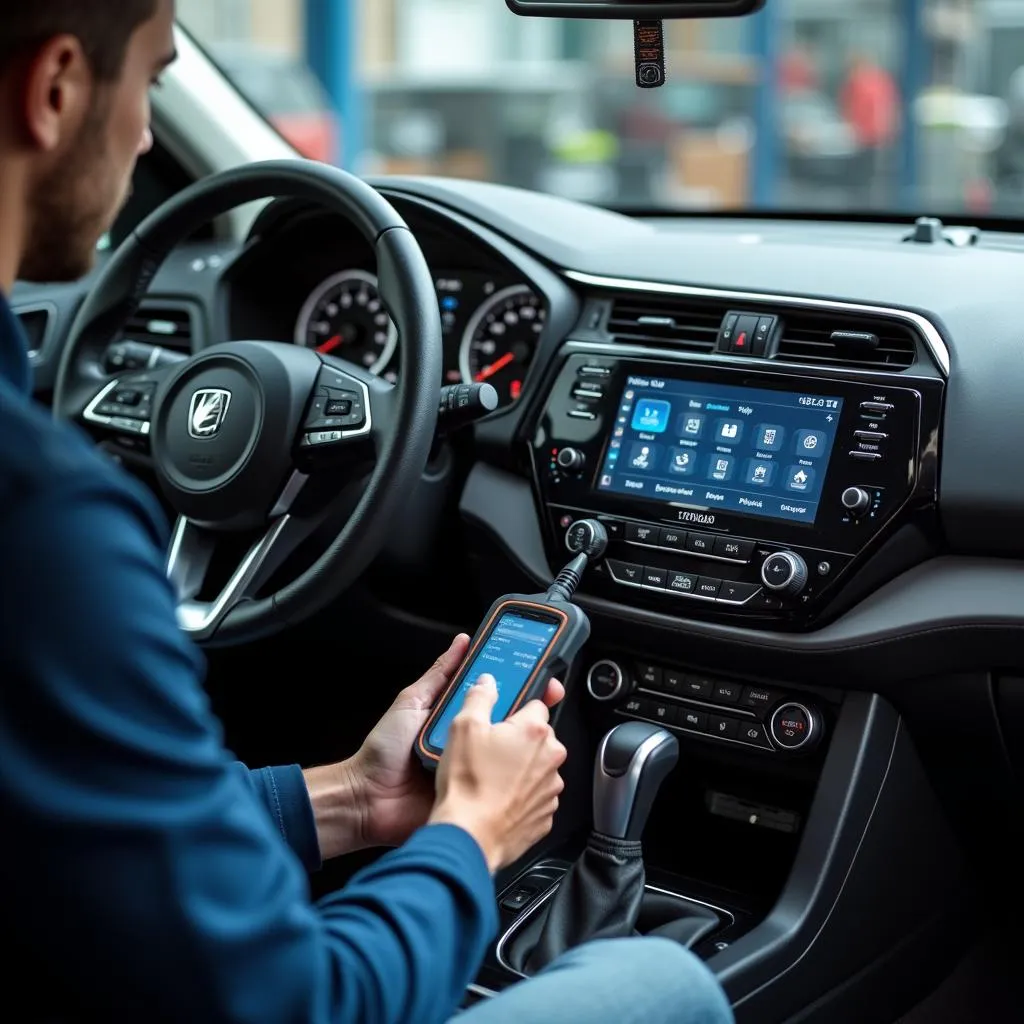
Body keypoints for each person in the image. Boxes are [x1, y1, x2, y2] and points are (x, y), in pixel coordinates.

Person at [0, 3, 736, 1023]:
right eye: (152, 86)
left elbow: (99, 834)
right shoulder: (48, 525)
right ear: (55, 88)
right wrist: (472, 835)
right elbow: (306, 1001)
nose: (141, 135)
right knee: (664, 984)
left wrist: (351, 798)